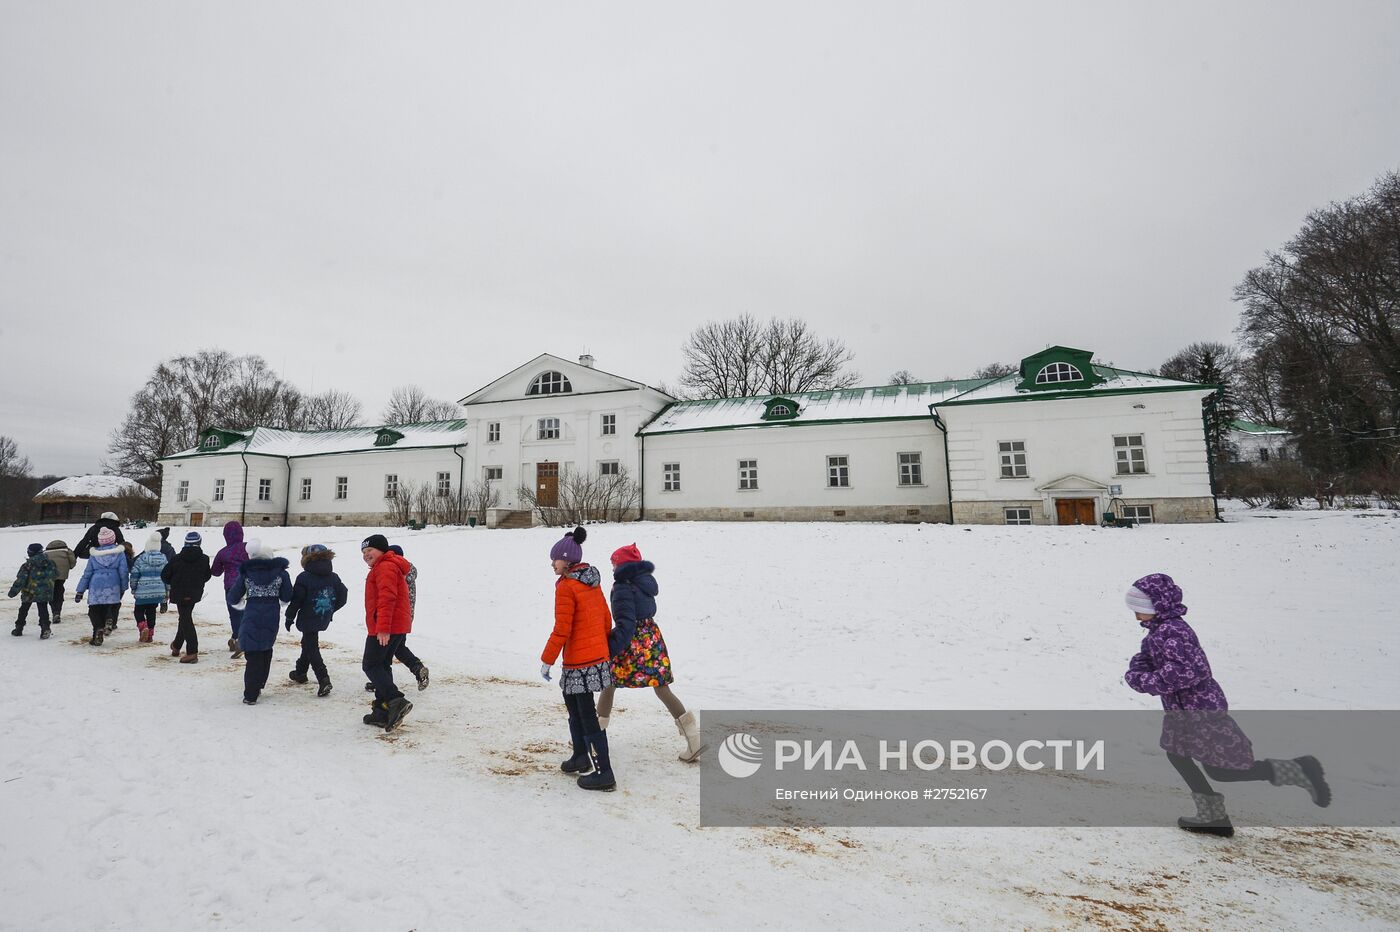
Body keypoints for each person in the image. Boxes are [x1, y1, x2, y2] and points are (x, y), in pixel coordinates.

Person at [1124, 573, 1330, 837]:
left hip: (1201, 710)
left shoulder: (1173, 631)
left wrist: (1146, 680)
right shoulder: (1156, 634)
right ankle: (1213, 817)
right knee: (1178, 754)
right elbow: (1144, 660)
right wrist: (1138, 672)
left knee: (1221, 770)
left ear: (1158, 606)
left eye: (1140, 609)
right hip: (1182, 712)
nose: (1136, 616)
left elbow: (1188, 671)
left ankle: (1299, 769)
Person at [597, 543, 704, 762]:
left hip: (631, 643)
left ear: (623, 565)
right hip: (651, 638)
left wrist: (610, 648)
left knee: (608, 683)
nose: (612, 566)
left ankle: (593, 738)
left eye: (614, 562)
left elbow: (626, 624)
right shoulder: (645, 583)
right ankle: (694, 738)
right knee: (662, 688)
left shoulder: (622, 587)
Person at [540, 527, 617, 791]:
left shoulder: (567, 586)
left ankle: (604, 771)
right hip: (593, 657)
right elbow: (606, 619)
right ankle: (581, 756)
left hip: (580, 662)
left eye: (555, 559)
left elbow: (563, 628)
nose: (552, 563)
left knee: (584, 713)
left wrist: (547, 659)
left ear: (567, 561)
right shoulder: (591, 581)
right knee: (574, 707)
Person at [359, 534, 414, 731]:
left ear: (382, 550)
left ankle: (395, 699)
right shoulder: (385, 566)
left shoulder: (385, 567)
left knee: (370, 665)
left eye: (370, 550)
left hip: (385, 626)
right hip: (393, 625)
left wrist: (382, 628)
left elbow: (387, 598)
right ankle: (381, 712)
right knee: (382, 665)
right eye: (364, 552)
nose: (366, 555)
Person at [228, 540, 291, 705]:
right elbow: (286, 597)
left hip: (252, 614)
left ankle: (250, 693)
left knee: (252, 651)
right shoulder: (281, 574)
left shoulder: (246, 574)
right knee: (266, 648)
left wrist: (241, 604)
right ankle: (260, 682)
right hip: (272, 615)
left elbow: (233, 597)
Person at [285, 544, 347, 698]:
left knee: (311, 646)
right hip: (323, 615)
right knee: (308, 642)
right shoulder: (334, 577)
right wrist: (330, 609)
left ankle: (323, 679)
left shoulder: (304, 577)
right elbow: (343, 595)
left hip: (308, 616)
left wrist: (289, 616)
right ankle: (300, 672)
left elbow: (297, 600)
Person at [364, 544, 428, 693]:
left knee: (388, 654)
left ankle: (386, 683)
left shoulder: (391, 570)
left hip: (393, 618)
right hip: (405, 617)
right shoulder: (405, 570)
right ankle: (387, 681)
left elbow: (388, 598)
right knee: (394, 649)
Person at [162, 531, 211, 663]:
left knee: (185, 618)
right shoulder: (204, 559)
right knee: (185, 617)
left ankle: (192, 652)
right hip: (195, 593)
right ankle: (177, 645)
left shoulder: (176, 559)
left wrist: (174, 582)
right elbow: (207, 576)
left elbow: (165, 575)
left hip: (179, 592)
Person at [74, 527, 129, 646]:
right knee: (110, 606)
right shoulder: (119, 553)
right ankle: (109, 619)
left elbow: (87, 573)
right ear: (113, 539)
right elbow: (123, 571)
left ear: (100, 541)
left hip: (96, 584)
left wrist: (80, 591)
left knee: (94, 610)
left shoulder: (94, 555)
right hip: (113, 583)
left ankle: (97, 631)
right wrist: (123, 587)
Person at [210, 520, 249, 658]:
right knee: (248, 612)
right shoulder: (249, 548)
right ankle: (237, 638)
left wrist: (224, 566)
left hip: (231, 586)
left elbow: (215, 571)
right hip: (250, 584)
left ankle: (240, 641)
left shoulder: (223, 552)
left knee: (235, 614)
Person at [9, 543, 57, 639]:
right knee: (43, 609)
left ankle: (19, 628)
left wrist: (13, 592)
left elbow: (21, 580)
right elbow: (56, 574)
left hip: (29, 591)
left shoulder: (28, 564)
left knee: (24, 609)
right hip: (45, 591)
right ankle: (45, 628)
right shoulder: (50, 562)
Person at [129, 533, 169, 643]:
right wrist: (167, 591)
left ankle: (143, 627)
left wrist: (133, 587)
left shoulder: (141, 559)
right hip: (158, 591)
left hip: (142, 591)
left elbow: (134, 574)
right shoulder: (164, 559)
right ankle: (150, 635)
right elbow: (167, 576)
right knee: (151, 612)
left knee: (138, 611)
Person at [43, 540, 76, 624]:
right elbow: (73, 561)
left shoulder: (45, 552)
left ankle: (54, 610)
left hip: (49, 575)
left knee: (52, 592)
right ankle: (57, 611)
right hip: (62, 573)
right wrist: (69, 567)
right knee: (59, 590)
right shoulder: (67, 551)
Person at [156, 528, 177, 613]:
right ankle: (163, 604)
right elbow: (174, 559)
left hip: (154, 570)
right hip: (166, 571)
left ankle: (154, 603)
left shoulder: (153, 546)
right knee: (164, 588)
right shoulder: (169, 548)